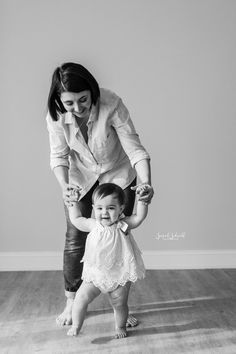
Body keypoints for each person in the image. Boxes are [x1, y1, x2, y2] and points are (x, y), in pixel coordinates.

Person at [46, 62, 154, 327]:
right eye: (70, 103)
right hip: (80, 180)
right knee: (75, 239)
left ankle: (120, 305)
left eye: (83, 100)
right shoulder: (55, 115)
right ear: (60, 100)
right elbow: (59, 155)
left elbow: (135, 149)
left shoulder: (111, 102)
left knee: (119, 237)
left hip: (116, 176)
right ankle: (72, 300)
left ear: (92, 91)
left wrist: (146, 182)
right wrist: (64, 186)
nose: (78, 108)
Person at [67, 182, 148, 338]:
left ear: (121, 209)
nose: (104, 213)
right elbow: (76, 219)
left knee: (119, 303)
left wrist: (142, 201)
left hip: (119, 274)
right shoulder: (93, 225)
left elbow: (139, 218)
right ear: (93, 208)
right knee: (81, 298)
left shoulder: (123, 225)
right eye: (99, 208)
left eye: (111, 208)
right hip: (95, 275)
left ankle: (120, 327)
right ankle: (77, 325)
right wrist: (72, 202)